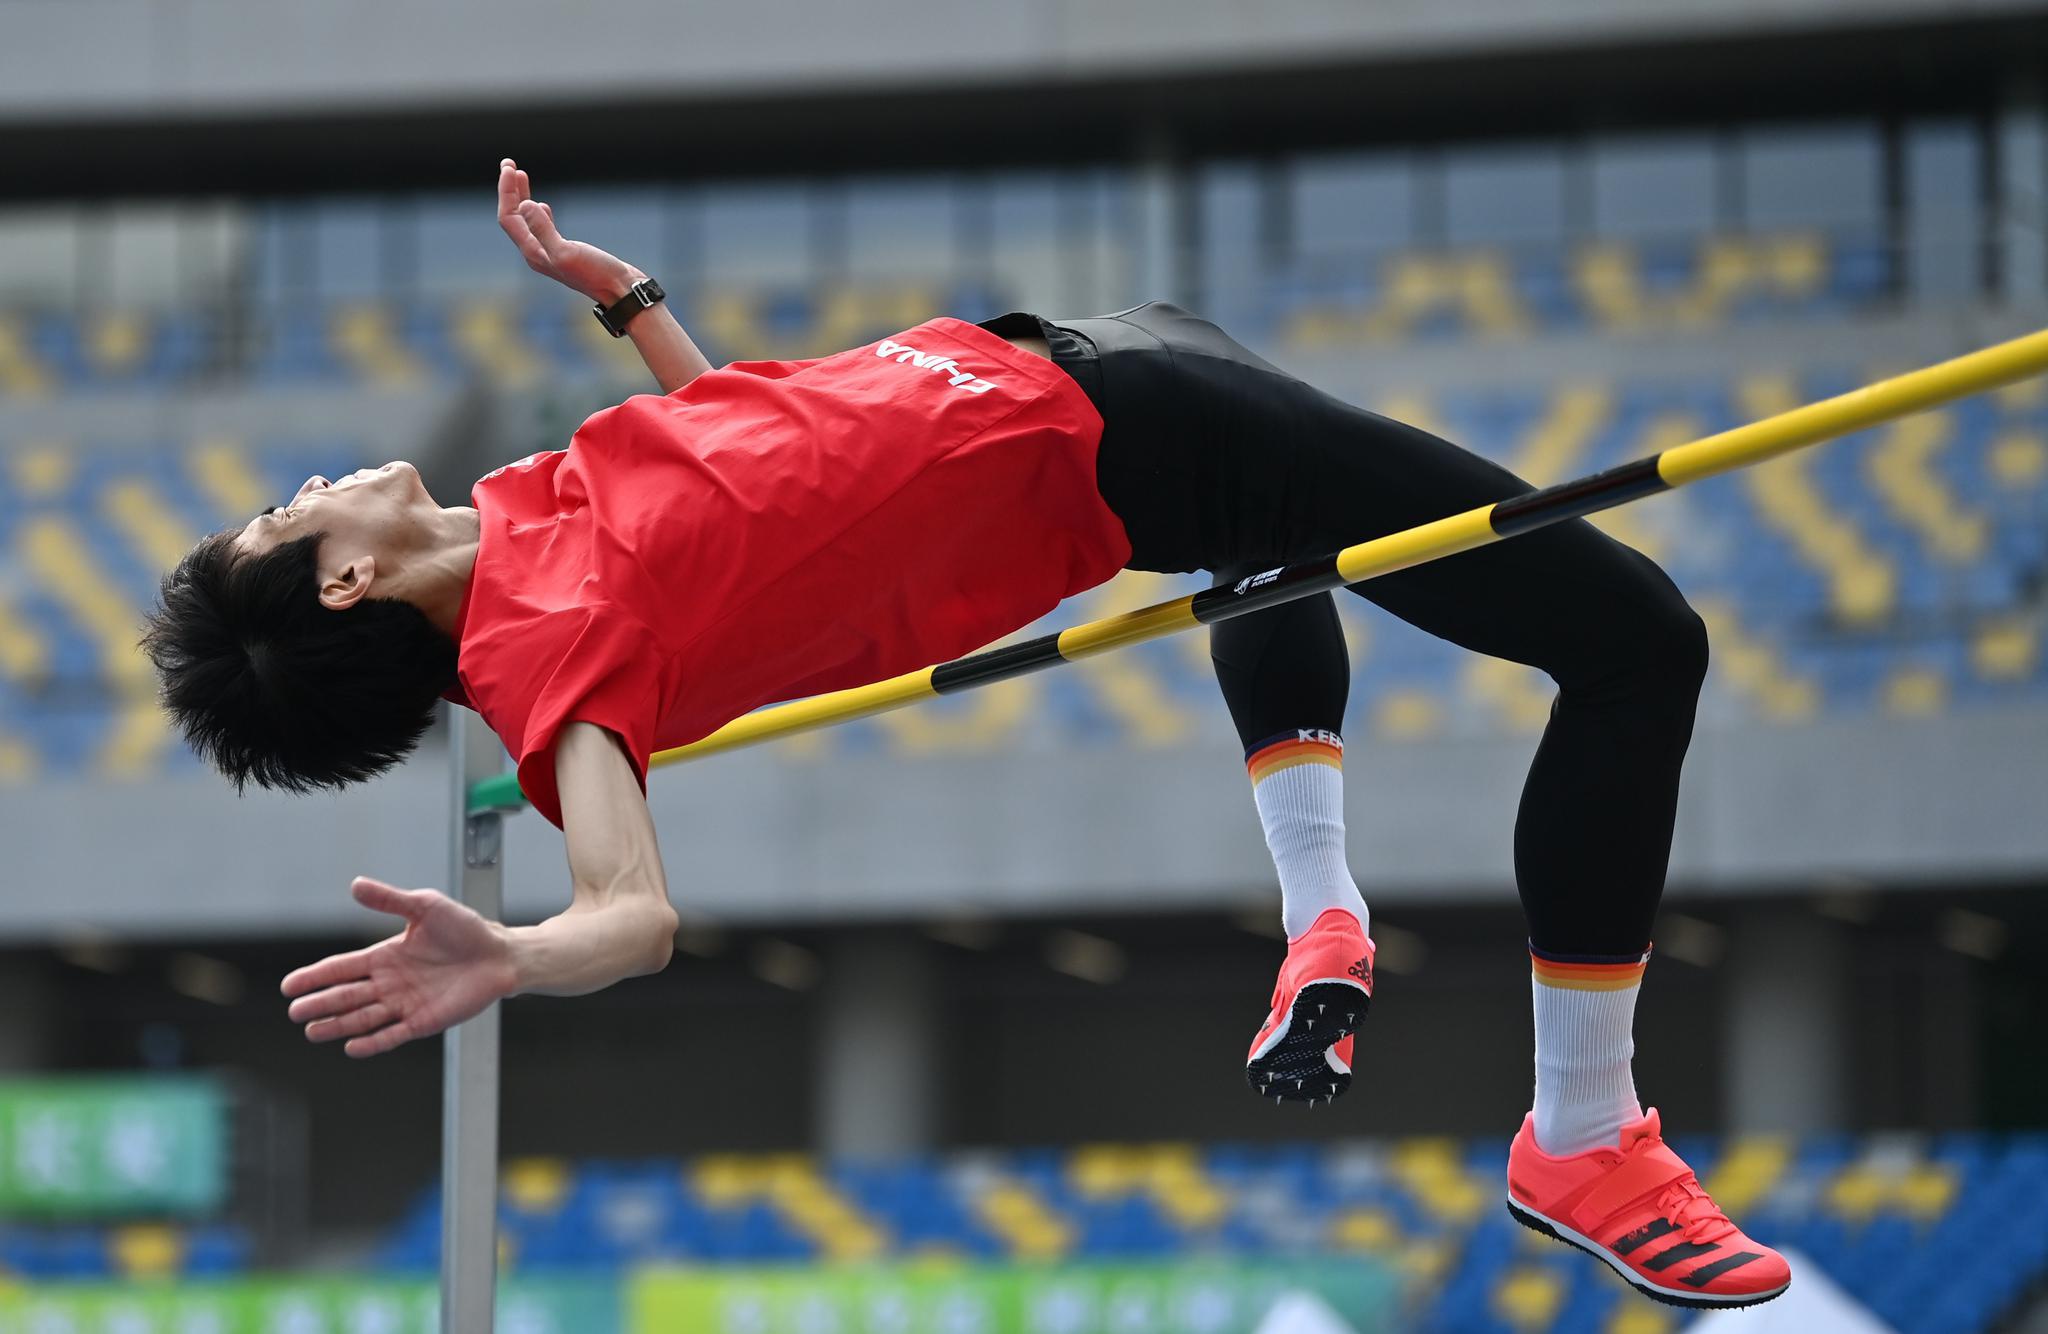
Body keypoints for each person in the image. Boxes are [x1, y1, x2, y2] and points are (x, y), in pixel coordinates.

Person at [142, 160, 1787, 1308]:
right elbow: (631, 914)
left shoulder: (515, 519)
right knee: (1638, 643)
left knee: (1271, 534)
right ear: (344, 583)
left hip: (1068, 358)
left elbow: (745, 459)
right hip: (1134, 445)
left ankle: (1324, 916)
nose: (304, 487)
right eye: (281, 517)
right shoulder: (548, 665)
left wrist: (629, 301)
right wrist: (512, 952)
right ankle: (1584, 1132)